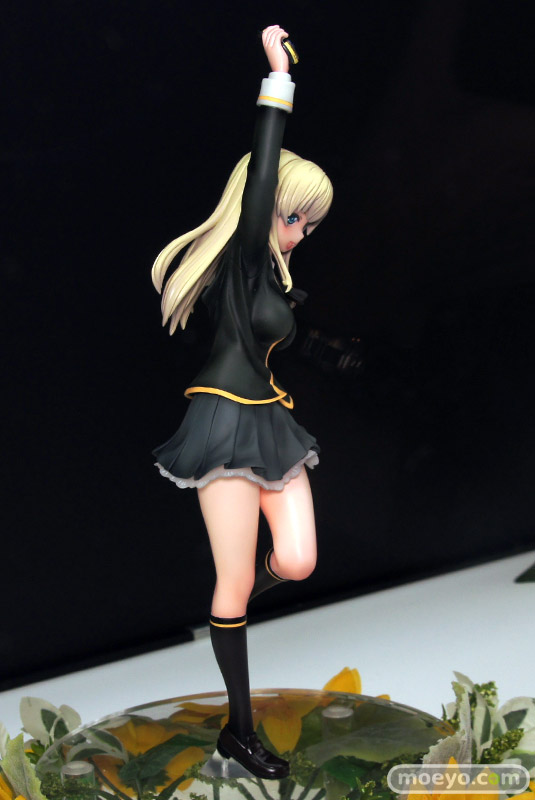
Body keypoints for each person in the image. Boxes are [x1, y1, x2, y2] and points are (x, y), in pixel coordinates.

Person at [151, 25, 333, 780]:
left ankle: (230, 606)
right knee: (232, 583)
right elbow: (263, 171)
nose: (299, 234)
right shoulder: (239, 262)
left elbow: (278, 333)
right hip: (222, 424)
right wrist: (277, 81)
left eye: (308, 224)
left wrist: (326, 347)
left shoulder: (274, 280)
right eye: (293, 218)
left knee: (296, 559)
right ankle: (238, 729)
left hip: (269, 421)